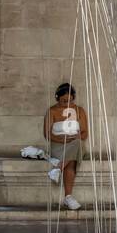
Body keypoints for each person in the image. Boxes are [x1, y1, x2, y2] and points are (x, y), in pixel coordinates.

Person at [43, 83, 88, 212]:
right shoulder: (52, 111)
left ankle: (58, 168)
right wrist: (61, 139)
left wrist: (75, 138)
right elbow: (47, 134)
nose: (66, 103)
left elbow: (85, 133)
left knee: (78, 143)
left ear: (73, 98)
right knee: (71, 162)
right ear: (57, 98)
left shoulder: (79, 111)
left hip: (75, 144)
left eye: (69, 100)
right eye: (63, 101)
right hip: (57, 145)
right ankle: (68, 197)